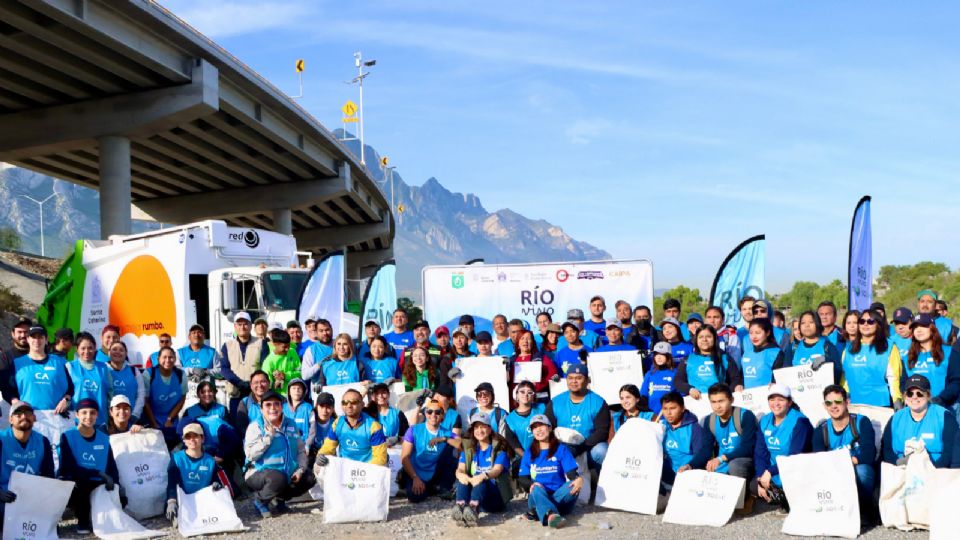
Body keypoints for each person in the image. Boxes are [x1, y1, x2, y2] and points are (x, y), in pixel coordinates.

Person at [243, 390, 315, 518]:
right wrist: (268, 437)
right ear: (261, 408)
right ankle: (260, 500)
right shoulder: (255, 426)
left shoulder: (290, 424)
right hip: (257, 472)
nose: (273, 408)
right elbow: (250, 455)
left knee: (309, 478)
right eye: (268, 405)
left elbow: (300, 450)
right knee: (278, 478)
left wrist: (300, 470)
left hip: (285, 472)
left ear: (282, 407)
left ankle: (279, 500)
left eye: (276, 404)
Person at [813, 385, 878, 525]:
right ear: (824, 405)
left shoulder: (861, 422)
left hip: (856, 468)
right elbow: (817, 459)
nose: (833, 406)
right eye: (829, 403)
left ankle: (865, 510)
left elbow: (869, 454)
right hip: (833, 471)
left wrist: (845, 462)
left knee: (862, 471)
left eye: (838, 401)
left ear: (847, 402)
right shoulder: (821, 429)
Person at [59, 399, 121, 534]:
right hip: (76, 482)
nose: (88, 416)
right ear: (77, 415)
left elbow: (111, 464)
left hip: (98, 481)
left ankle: (97, 517)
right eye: (84, 413)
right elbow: (68, 467)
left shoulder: (104, 438)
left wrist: (116, 483)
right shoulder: (68, 436)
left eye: (92, 413)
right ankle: (82, 520)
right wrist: (97, 473)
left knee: (119, 495)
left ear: (97, 415)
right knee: (82, 485)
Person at [752, 384, 813, 512]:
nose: (776, 403)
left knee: (792, 497)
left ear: (789, 402)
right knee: (752, 485)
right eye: (772, 399)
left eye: (781, 399)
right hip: (773, 472)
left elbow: (795, 456)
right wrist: (760, 475)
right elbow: (760, 453)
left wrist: (770, 472)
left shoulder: (800, 421)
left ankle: (790, 499)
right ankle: (778, 495)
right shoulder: (765, 420)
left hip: (795, 470)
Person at [882, 374, 959, 468]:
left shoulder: (944, 417)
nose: (914, 397)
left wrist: (930, 470)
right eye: (910, 393)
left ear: (928, 395)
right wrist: (899, 466)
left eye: (919, 393)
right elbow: (887, 450)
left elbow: (950, 452)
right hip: (901, 471)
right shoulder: (896, 418)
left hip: (935, 472)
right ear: (905, 396)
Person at [702, 383, 757, 512]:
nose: (717, 406)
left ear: (731, 400)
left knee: (735, 465)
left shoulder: (745, 415)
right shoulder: (709, 420)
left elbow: (749, 447)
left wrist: (721, 458)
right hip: (722, 461)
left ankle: (746, 497)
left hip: (744, 460)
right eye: (713, 402)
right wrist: (690, 466)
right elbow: (705, 450)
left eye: (721, 401)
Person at [519, 414, 581, 529]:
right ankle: (551, 515)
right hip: (538, 495)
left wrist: (578, 479)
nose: (538, 430)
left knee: (572, 485)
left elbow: (571, 473)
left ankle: (540, 511)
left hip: (559, 497)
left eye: (541, 426)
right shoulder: (529, 452)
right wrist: (531, 484)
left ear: (550, 427)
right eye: (535, 427)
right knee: (536, 488)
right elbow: (523, 478)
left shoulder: (561, 448)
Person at [544, 364, 609, 471]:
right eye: (570, 378)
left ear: (587, 380)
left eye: (578, 378)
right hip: (563, 448)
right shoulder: (556, 402)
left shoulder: (598, 402)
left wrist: (581, 447)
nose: (574, 381)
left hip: (588, 447)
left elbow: (602, 432)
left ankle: (598, 481)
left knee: (602, 450)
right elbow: (547, 428)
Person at [452, 412, 512, 527]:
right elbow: (460, 469)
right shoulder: (469, 450)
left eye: (483, 426)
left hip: (495, 498)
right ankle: (461, 507)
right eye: (476, 427)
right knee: (463, 479)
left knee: (481, 480)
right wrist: (461, 475)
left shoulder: (499, 449)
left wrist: (482, 476)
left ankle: (473, 509)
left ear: (489, 429)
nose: (479, 430)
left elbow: (496, 471)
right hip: (476, 495)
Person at [0, 401, 56, 522]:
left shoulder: (42, 441)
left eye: (28, 413)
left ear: (34, 418)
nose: (24, 416)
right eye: (18, 414)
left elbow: (48, 474)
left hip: (31, 495)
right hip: (5, 494)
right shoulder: (1, 439)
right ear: (10, 419)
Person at [165, 423, 229, 527]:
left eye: (195, 436)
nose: (192, 440)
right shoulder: (176, 458)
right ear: (184, 441)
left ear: (202, 438)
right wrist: (171, 501)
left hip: (203, 500)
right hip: (183, 499)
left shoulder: (210, 461)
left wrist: (217, 484)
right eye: (188, 437)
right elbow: (172, 483)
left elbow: (218, 479)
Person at [401, 397, 461, 502]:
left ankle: (442, 486)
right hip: (417, 472)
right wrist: (415, 477)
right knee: (415, 497)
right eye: (429, 411)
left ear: (443, 415)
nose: (433, 415)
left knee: (451, 448)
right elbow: (404, 457)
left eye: (438, 412)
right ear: (425, 413)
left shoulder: (446, 432)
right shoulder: (414, 430)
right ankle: (424, 486)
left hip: (435, 472)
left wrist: (444, 439)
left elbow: (463, 444)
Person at [842, 309, 903, 408]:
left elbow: (893, 377)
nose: (865, 324)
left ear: (878, 324)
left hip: (880, 404)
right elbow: (845, 377)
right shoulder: (849, 348)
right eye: (862, 321)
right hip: (854, 403)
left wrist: (897, 399)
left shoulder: (889, 347)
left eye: (870, 322)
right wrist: (845, 395)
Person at [316, 388, 388, 466]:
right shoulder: (337, 423)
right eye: (345, 403)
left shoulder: (374, 426)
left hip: (368, 468)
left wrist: (362, 471)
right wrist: (321, 454)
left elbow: (380, 458)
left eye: (353, 402)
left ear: (362, 404)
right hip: (344, 468)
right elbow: (328, 447)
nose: (349, 406)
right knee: (318, 465)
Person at [903, 313, 960, 410]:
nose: (919, 330)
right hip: (916, 409)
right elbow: (903, 383)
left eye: (923, 326)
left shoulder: (949, 352)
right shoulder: (907, 358)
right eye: (915, 327)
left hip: (945, 407)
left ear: (932, 328)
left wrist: (941, 399)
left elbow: (957, 381)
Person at [11, 326, 72, 413]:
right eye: (33, 337)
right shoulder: (17, 363)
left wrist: (67, 400)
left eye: (40, 337)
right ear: (28, 339)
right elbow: (7, 389)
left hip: (57, 417)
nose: (37, 340)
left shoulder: (61, 362)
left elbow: (73, 386)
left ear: (46, 339)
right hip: (27, 416)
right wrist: (16, 402)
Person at [220, 311, 269, 418]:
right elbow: (224, 369)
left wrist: (252, 384)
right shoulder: (227, 345)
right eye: (239, 324)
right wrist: (240, 383)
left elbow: (264, 367)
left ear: (251, 326)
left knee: (257, 423)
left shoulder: (261, 343)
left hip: (256, 394)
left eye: (245, 324)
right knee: (237, 426)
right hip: (235, 393)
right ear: (235, 326)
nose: (242, 327)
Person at [659, 391, 712, 490]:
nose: (668, 413)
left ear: (682, 408)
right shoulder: (661, 426)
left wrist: (688, 467)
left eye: (673, 408)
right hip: (663, 476)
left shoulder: (695, 428)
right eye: (665, 409)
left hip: (686, 477)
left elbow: (700, 456)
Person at [675, 325, 743, 399]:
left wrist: (730, 390)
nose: (704, 339)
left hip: (719, 402)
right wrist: (689, 389)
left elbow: (735, 378)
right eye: (701, 337)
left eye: (708, 336)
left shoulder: (724, 358)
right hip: (696, 403)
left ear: (714, 338)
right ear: (696, 340)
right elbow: (678, 380)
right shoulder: (688, 360)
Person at [179, 381, 240, 463]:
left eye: (210, 391)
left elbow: (229, 432)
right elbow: (183, 432)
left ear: (214, 392)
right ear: (198, 394)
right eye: (203, 392)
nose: (207, 394)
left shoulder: (222, 409)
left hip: (218, 450)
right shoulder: (190, 411)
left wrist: (221, 454)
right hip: (197, 449)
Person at [142, 346, 187, 447]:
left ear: (175, 359)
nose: (168, 360)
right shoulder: (149, 374)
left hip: (171, 422)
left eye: (171, 357)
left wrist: (169, 419)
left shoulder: (181, 374)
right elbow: (145, 401)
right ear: (158, 359)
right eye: (164, 357)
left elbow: (182, 398)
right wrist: (153, 423)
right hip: (152, 421)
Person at [67, 332, 113, 420]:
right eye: (83, 348)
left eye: (90, 348)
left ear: (95, 348)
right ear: (77, 349)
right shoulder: (70, 367)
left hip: (100, 418)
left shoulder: (104, 368)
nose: (87, 352)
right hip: (76, 420)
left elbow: (110, 393)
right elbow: (66, 394)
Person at [792, 310, 842, 384]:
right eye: (803, 323)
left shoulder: (828, 346)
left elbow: (838, 372)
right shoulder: (793, 348)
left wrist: (827, 360)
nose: (807, 325)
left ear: (817, 324)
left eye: (811, 322)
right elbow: (785, 373)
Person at [508, 331, 558, 404]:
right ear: (518, 343)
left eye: (528, 339)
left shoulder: (541, 358)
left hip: (537, 400)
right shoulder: (511, 360)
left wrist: (538, 385)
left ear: (532, 342)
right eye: (522, 338)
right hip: (516, 402)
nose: (525, 341)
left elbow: (553, 375)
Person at [740, 318, 788, 388]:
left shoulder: (776, 353)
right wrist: (739, 385)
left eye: (758, 333)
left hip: (768, 396)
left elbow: (781, 379)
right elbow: (741, 378)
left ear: (768, 333)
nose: (754, 336)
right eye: (751, 333)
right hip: (749, 397)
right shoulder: (746, 354)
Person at [104, 340, 146, 418]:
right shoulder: (102, 369)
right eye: (114, 349)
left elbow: (141, 394)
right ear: (109, 352)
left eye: (121, 350)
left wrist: (135, 414)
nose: (118, 352)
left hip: (130, 418)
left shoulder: (134, 371)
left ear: (126, 353)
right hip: (107, 418)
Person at [504, 381, 545, 460]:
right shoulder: (510, 419)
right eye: (522, 392)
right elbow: (514, 444)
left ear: (534, 396)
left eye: (530, 392)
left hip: (544, 456)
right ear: (516, 395)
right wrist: (528, 458)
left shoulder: (542, 408)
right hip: (523, 460)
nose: (526, 395)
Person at [261, 331, 301, 395]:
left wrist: (285, 376)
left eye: (288, 346)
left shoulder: (292, 351)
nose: (287, 349)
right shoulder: (268, 362)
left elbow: (300, 373)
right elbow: (267, 385)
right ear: (275, 344)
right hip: (279, 398)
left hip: (295, 395)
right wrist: (276, 382)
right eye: (284, 347)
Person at [640, 342, 676, 415]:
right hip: (652, 416)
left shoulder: (675, 373)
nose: (658, 357)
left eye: (662, 354)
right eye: (656, 354)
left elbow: (681, 396)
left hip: (669, 415)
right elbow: (644, 395)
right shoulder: (650, 374)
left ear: (668, 356)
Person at [300, 318, 335, 392]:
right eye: (321, 331)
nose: (325, 333)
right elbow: (305, 375)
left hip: (337, 388)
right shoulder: (311, 350)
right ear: (316, 332)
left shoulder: (339, 345)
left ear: (331, 329)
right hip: (319, 392)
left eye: (327, 330)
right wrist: (318, 365)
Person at [236, 370, 271, 436]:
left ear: (269, 383)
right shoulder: (245, 403)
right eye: (256, 382)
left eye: (263, 382)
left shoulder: (280, 401)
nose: (260, 385)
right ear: (251, 386)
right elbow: (241, 428)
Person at [284, 378, 316, 447]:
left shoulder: (308, 408)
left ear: (304, 391)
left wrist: (308, 445)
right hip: (286, 446)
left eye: (299, 388)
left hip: (303, 446)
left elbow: (313, 428)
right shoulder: (283, 408)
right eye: (294, 388)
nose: (297, 390)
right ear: (289, 392)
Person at [311, 392, 336, 458]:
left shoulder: (337, 424)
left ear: (333, 409)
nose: (324, 411)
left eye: (328, 407)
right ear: (316, 407)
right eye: (321, 406)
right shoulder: (309, 423)